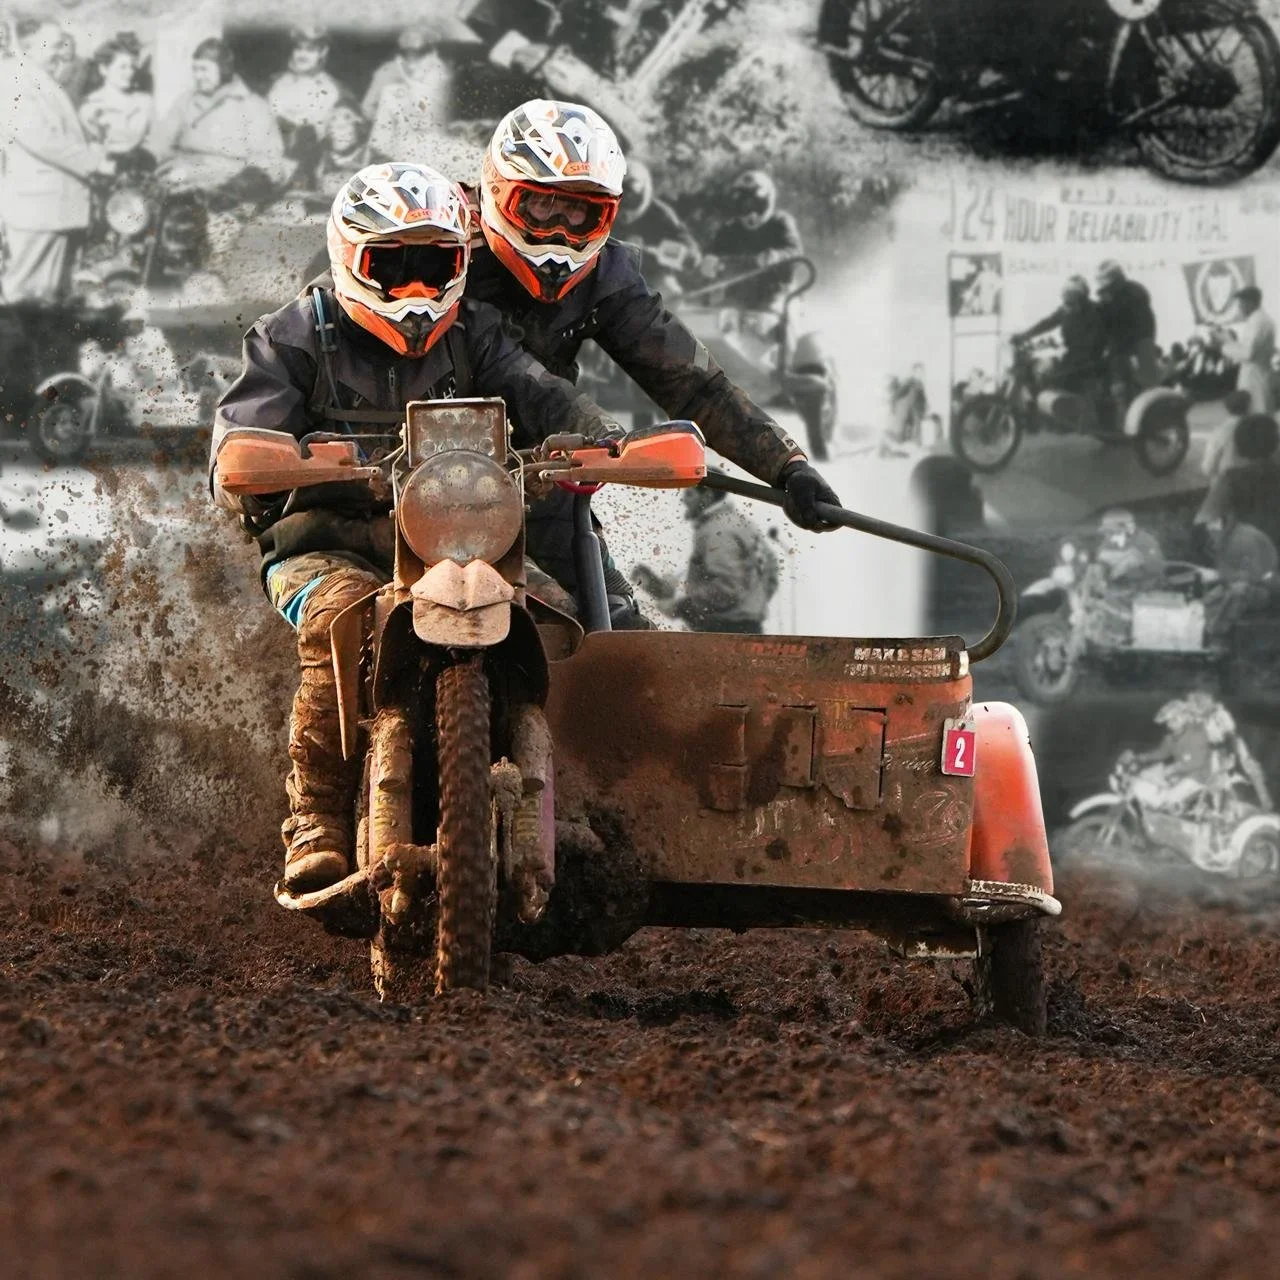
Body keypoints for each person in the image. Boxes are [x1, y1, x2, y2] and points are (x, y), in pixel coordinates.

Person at [211, 162, 629, 895]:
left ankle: (567, 805)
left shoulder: (475, 333)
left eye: (432, 267)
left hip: (461, 536)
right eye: (392, 267)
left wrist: (603, 439)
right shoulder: (291, 337)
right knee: (339, 621)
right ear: (349, 258)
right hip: (327, 542)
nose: (414, 290)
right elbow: (238, 446)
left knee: (553, 613)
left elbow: (544, 392)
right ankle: (315, 819)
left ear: (459, 265)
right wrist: (266, 462)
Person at [465, 99, 842, 617]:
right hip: (409, 480)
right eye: (543, 206)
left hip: (538, 474)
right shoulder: (433, 251)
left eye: (579, 213)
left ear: (607, 214)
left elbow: (692, 383)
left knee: (613, 619)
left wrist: (787, 466)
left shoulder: (605, 275)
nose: (559, 233)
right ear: (496, 189)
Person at [0, 21, 114, 302]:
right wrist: (94, 162)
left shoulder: (36, 77)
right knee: (25, 300)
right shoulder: (13, 78)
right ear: (27, 45)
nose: (61, 53)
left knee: (49, 302)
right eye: (53, 45)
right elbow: (40, 138)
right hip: (39, 210)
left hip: (54, 209)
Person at [148, 38, 290, 196]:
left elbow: (267, 157)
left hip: (226, 182)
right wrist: (145, 156)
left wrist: (248, 180)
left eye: (204, 69)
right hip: (180, 173)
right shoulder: (186, 100)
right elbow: (162, 138)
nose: (198, 76)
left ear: (224, 69)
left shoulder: (253, 106)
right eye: (195, 69)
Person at [632, 486, 779, 634]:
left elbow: (727, 587)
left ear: (707, 496)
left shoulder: (716, 529)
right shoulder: (742, 524)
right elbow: (771, 572)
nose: (683, 499)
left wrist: (681, 606)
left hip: (723, 630)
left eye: (689, 494)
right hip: (749, 628)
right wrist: (751, 605)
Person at [700, 169, 803, 314]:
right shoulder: (729, 230)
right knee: (715, 317)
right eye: (743, 206)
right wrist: (707, 264)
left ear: (769, 201)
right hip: (738, 297)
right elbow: (711, 257)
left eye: (758, 205)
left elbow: (795, 252)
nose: (751, 213)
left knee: (774, 315)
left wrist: (776, 256)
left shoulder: (781, 222)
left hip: (777, 293)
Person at [364, 27, 453, 160]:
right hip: (393, 144)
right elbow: (367, 108)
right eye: (406, 52)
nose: (411, 39)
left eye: (419, 52)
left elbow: (433, 112)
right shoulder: (387, 72)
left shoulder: (439, 71)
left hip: (431, 144)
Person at [1197, 412, 1280, 552]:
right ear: (1275, 443)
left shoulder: (1231, 479)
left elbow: (1209, 519)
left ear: (1239, 444)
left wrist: (1220, 538)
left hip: (1248, 553)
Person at [613, 158, 700, 290]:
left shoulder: (660, 213)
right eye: (620, 193)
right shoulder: (601, 210)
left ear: (644, 190)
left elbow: (683, 237)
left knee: (668, 290)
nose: (627, 199)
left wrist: (691, 254)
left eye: (632, 194)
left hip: (651, 276)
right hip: (609, 272)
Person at [1012, 275, 1107, 394]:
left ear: (1082, 298)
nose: (1069, 305)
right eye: (1066, 299)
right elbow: (1047, 323)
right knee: (1038, 371)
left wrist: (1063, 354)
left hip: (1089, 364)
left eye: (1072, 300)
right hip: (1071, 358)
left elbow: (1095, 343)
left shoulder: (1096, 312)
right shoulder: (1065, 310)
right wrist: (1025, 335)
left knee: (1052, 381)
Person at [268, 25, 345, 164]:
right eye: (298, 48)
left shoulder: (329, 88)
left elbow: (318, 133)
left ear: (323, 52)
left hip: (308, 159)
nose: (302, 55)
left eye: (310, 50)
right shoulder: (280, 83)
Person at [78, 35, 153, 157]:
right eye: (123, 67)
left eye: (132, 67)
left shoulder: (144, 101)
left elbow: (151, 141)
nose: (129, 72)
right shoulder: (90, 106)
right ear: (103, 69)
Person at [1095, 259, 1160, 391]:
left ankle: (1152, 392)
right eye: (1101, 279)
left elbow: (1140, 321)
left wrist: (1110, 304)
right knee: (1116, 370)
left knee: (1147, 373)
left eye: (1105, 279)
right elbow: (1103, 321)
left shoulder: (1134, 291)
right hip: (1119, 341)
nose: (1103, 283)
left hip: (1140, 337)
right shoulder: (1106, 296)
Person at [1218, 285, 1276, 413]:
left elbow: (1247, 353)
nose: (1239, 308)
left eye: (1241, 304)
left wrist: (1224, 345)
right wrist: (1229, 340)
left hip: (1254, 377)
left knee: (1257, 412)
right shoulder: (1261, 319)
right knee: (1259, 413)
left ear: (1250, 303)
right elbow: (1249, 348)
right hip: (1257, 374)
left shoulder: (1257, 322)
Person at [1200, 389, 1254, 481]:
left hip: (1227, 479)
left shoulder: (1221, 431)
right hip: (1253, 478)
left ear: (1227, 409)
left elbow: (1208, 466)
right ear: (1249, 407)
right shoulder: (1257, 428)